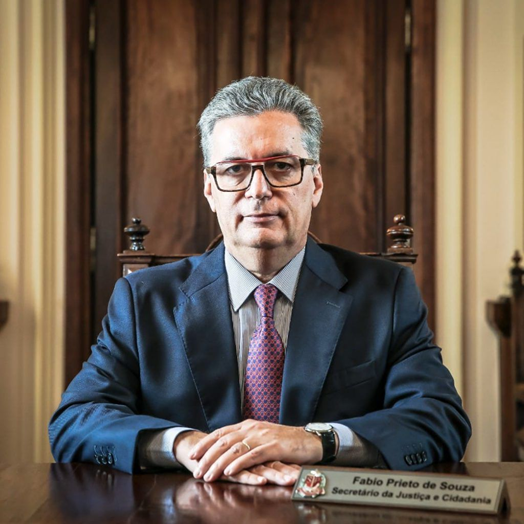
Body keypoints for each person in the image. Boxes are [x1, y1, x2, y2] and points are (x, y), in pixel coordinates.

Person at [49, 77, 471, 485]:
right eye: (235, 169)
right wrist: (185, 446)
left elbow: (440, 419)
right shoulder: (143, 299)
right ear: (210, 189)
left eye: (281, 166)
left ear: (316, 182)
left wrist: (315, 441)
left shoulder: (385, 293)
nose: (258, 190)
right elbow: (75, 420)